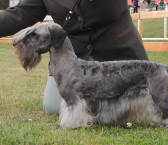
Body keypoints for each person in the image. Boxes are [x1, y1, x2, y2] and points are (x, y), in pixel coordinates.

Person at [0, 0, 149, 114]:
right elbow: (21, 12)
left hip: (117, 51)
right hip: (71, 59)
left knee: (134, 108)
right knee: (53, 107)